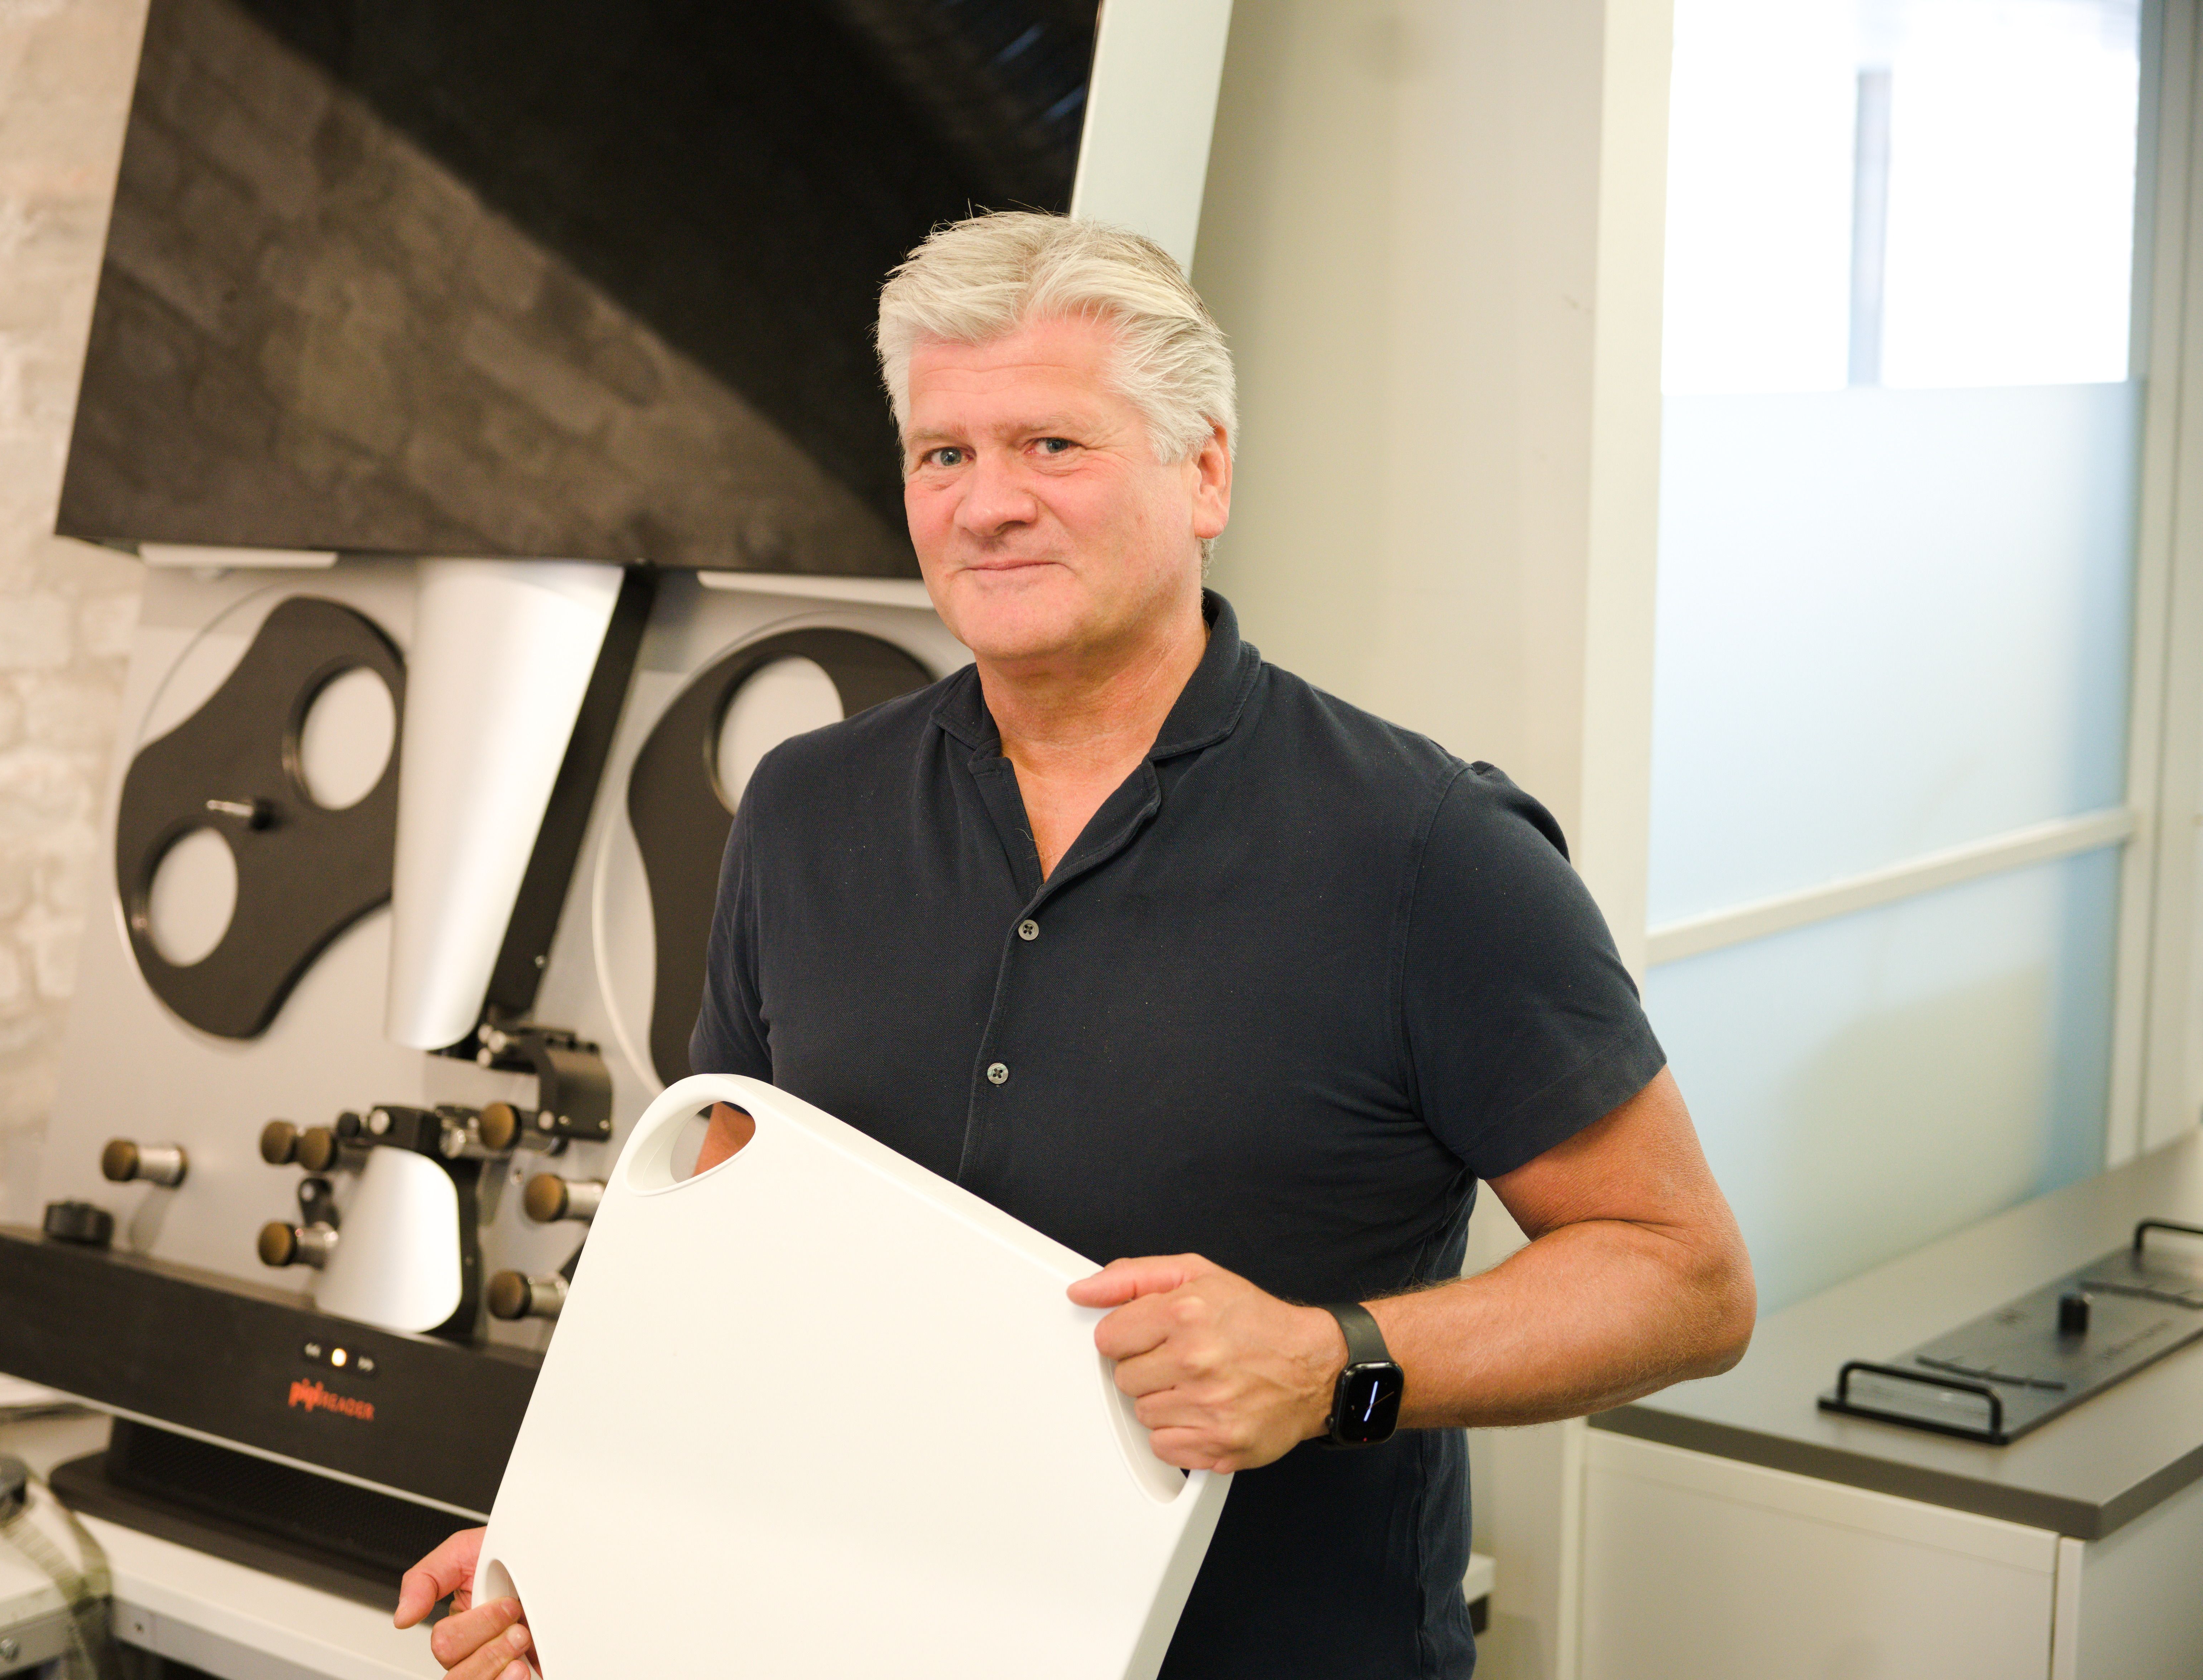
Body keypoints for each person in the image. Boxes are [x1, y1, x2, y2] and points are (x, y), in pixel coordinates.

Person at [396, 212, 1755, 1679]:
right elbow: (724, 1269)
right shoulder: (803, 810)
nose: (988, 505)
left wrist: (1331, 1368)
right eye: (943, 454)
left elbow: (1683, 1279)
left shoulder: (1431, 851)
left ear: (1205, 472)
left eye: (1053, 445)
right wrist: (578, 1540)